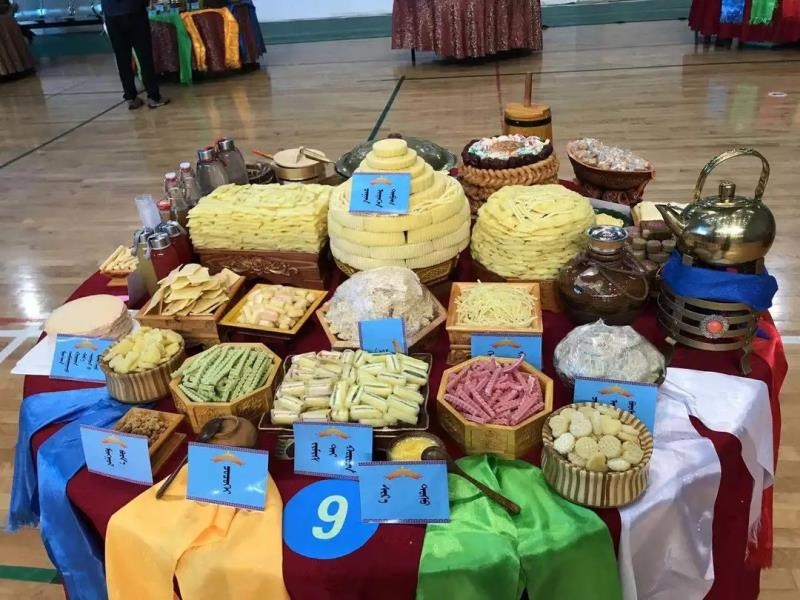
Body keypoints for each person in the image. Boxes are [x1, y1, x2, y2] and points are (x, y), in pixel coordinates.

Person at [102, 0, 169, 109]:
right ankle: (153, 97)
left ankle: (131, 98)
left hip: (111, 13)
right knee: (144, 56)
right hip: (134, 10)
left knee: (122, 59)